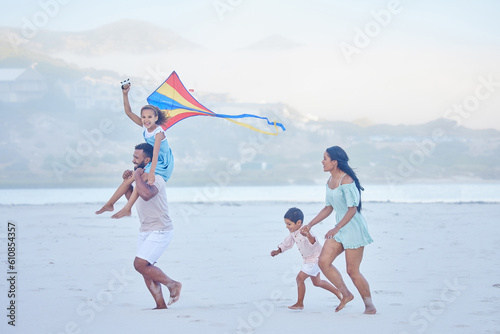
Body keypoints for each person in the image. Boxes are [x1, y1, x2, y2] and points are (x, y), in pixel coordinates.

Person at [300, 146, 376, 314]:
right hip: (339, 229)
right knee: (323, 262)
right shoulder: (329, 181)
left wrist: (336, 227)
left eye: (325, 158)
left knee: (352, 271)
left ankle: (370, 306)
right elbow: (328, 207)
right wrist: (310, 224)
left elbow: (352, 209)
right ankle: (346, 294)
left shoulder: (347, 181)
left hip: (353, 229)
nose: (322, 161)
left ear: (334, 162)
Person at [95, 82, 174, 218]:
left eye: (149, 117)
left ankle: (127, 208)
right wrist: (125, 94)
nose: (146, 120)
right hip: (153, 161)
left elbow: (155, 154)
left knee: (142, 177)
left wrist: (151, 173)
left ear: (156, 118)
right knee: (131, 177)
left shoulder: (159, 132)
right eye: (143, 117)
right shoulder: (145, 127)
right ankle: (110, 204)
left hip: (163, 162)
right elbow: (128, 112)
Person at [122, 142, 181, 309]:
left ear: (147, 160)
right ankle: (160, 305)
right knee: (145, 269)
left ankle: (173, 284)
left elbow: (147, 194)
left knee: (139, 264)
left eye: (136, 157)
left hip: (161, 230)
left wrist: (137, 175)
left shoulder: (157, 179)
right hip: (145, 230)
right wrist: (128, 183)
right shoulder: (140, 178)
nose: (133, 160)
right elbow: (135, 199)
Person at [271, 207, 342, 310]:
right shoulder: (293, 233)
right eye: (286, 224)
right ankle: (338, 292)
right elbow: (287, 243)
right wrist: (278, 251)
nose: (287, 226)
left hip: (316, 259)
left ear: (299, 222)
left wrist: (308, 235)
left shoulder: (306, 231)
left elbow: (314, 242)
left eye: (289, 224)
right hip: (307, 260)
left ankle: (300, 303)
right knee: (317, 282)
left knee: (299, 278)